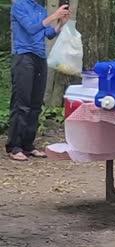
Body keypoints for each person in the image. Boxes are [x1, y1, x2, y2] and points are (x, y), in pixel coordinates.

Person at [6, 0, 70, 161]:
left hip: (40, 57)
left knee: (35, 104)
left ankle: (28, 145)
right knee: (22, 103)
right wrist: (53, 15)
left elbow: (48, 33)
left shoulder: (40, 8)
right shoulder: (19, 5)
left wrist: (60, 24)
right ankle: (14, 146)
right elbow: (31, 28)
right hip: (24, 56)